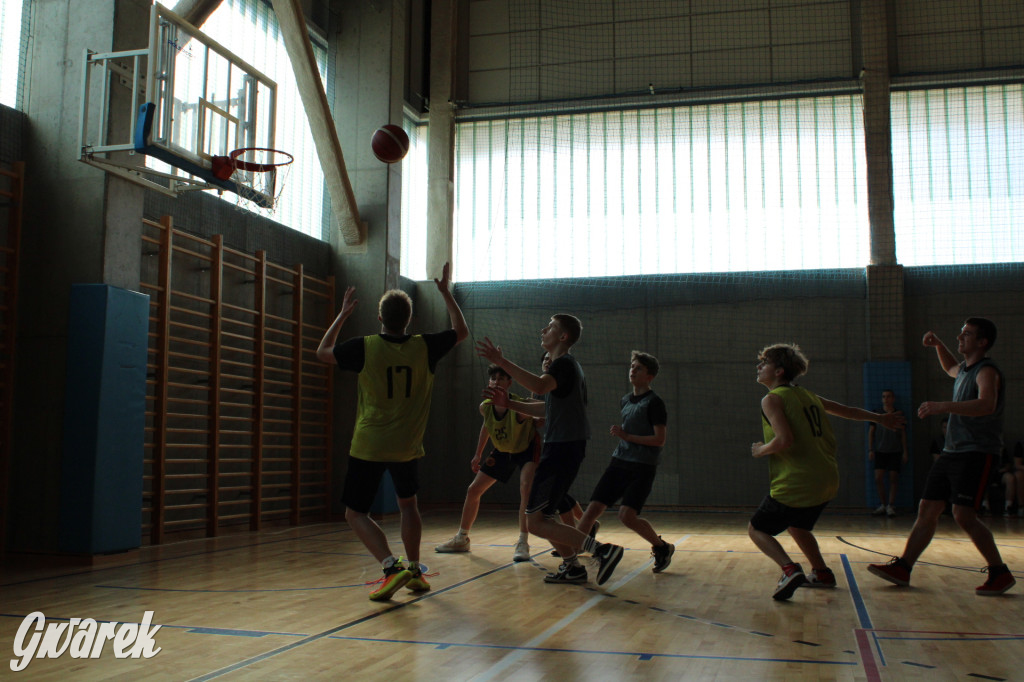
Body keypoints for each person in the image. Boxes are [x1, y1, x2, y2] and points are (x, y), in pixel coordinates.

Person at [315, 263, 469, 601]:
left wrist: (342, 315)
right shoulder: (424, 346)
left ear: (380, 318)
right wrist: (445, 293)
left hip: (369, 443)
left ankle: (390, 566)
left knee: (355, 513)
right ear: (409, 320)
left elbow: (322, 352)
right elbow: (461, 331)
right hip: (406, 444)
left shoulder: (365, 346)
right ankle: (413, 569)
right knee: (408, 505)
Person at [868, 318, 1015, 596]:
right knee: (927, 508)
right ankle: (904, 567)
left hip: (977, 452)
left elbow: (986, 404)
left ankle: (1000, 572)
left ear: (982, 342)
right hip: (952, 452)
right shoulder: (964, 370)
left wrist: (943, 406)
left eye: (966, 334)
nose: (960, 337)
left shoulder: (987, 371)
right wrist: (938, 345)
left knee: (963, 514)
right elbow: (950, 368)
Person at [476, 315, 625, 586]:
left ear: (563, 337)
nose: (543, 329)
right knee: (543, 518)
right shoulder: (563, 369)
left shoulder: (564, 364)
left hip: (562, 449)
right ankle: (573, 567)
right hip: (563, 448)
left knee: (535, 521)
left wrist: (501, 361)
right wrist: (509, 404)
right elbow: (545, 408)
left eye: (551, 327)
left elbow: (539, 386)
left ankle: (602, 551)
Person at [750, 343, 905, 601]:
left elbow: (784, 440)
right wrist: (879, 419)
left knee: (756, 529)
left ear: (778, 371)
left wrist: (761, 450)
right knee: (797, 525)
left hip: (798, 480)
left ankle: (789, 570)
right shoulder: (808, 396)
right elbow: (847, 411)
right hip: (827, 479)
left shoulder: (772, 399)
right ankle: (822, 573)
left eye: (764, 363)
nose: (758, 366)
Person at [576, 351, 674, 573]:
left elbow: (659, 439)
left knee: (627, 516)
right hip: (619, 462)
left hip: (642, 466)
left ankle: (662, 547)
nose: (633, 370)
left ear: (649, 376)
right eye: (632, 366)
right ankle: (571, 557)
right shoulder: (625, 400)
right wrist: (625, 438)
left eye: (639, 368)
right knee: (591, 510)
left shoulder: (654, 403)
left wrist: (627, 436)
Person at [435, 364, 540, 562]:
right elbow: (487, 426)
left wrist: (536, 411)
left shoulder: (518, 406)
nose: (496, 382)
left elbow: (540, 411)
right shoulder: (485, 407)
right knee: (473, 490)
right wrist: (478, 454)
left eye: (501, 378)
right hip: (503, 449)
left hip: (525, 449)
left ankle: (523, 541)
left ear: (509, 383)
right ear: (489, 383)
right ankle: (462, 538)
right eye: (493, 379)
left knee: (526, 488)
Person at [869, 389, 909, 517]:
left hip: (895, 451)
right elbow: (871, 432)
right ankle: (882, 504)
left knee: (893, 478)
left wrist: (905, 452)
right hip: (880, 451)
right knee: (878, 478)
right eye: (884, 397)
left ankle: (890, 505)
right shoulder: (877, 414)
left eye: (888, 396)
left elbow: (903, 434)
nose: (886, 399)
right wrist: (870, 449)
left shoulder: (899, 414)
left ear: (893, 399)